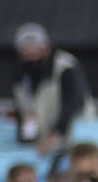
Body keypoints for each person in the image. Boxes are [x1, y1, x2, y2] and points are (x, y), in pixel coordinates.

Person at [11, 23, 91, 158]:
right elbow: (22, 111)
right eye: (27, 52)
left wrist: (57, 134)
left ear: (46, 48)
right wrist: (26, 137)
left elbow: (73, 103)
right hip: (44, 144)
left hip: (77, 139)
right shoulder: (21, 76)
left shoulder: (66, 66)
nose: (31, 57)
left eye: (35, 51)